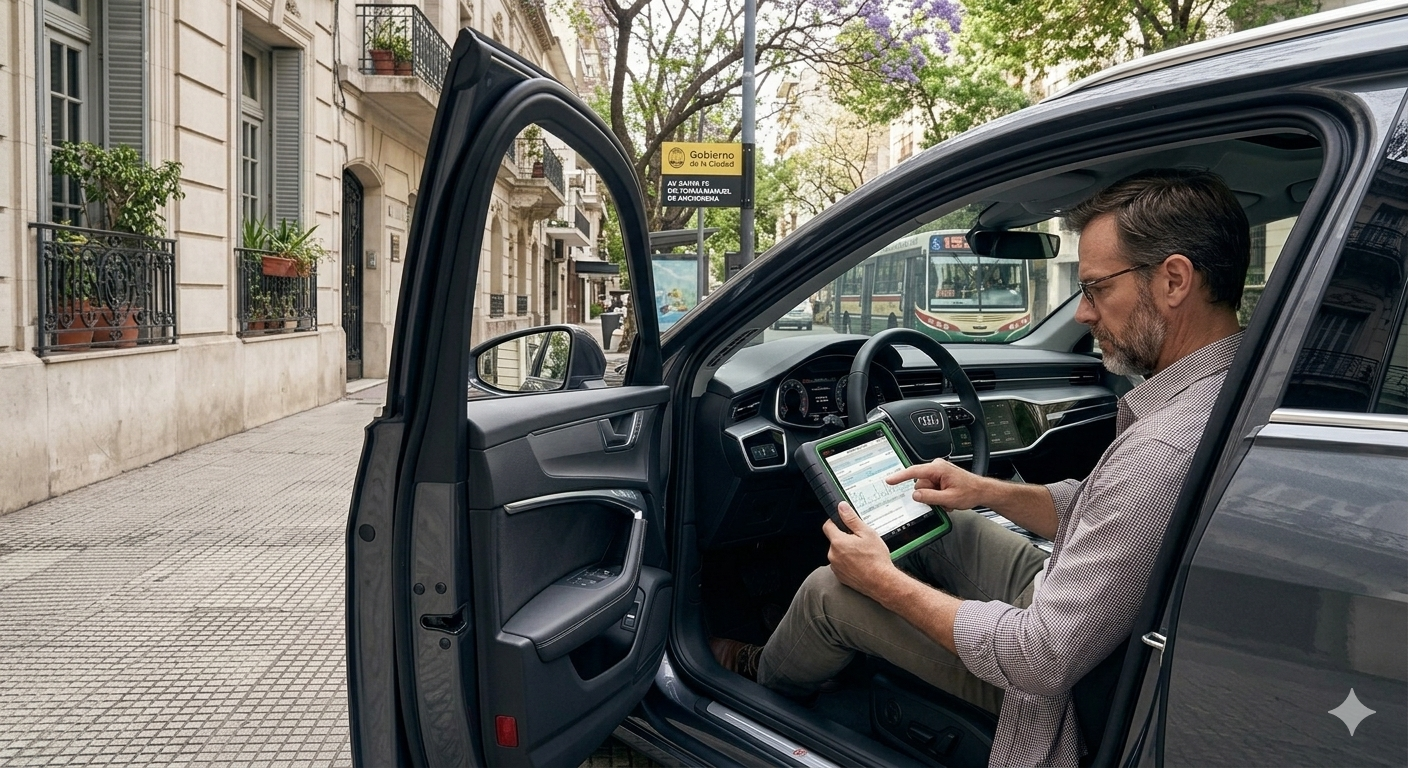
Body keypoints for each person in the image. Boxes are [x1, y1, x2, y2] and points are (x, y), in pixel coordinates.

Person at [711, 169, 1250, 766]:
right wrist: (984, 491)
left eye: (1095, 289)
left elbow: (1041, 657)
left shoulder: (1164, 447)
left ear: (1174, 280)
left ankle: (756, 687)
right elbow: (1103, 513)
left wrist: (884, 585)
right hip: (1091, 618)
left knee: (826, 592)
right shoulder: (1227, 388)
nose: (1082, 314)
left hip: (1062, 684)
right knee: (937, 522)